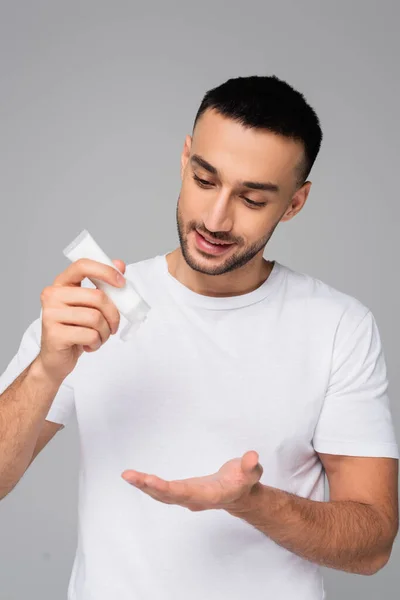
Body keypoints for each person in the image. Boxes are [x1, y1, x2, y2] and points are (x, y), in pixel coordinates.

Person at [0, 74, 398, 600]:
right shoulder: (95, 305)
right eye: (204, 179)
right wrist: (47, 370)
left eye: (252, 199)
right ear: (185, 157)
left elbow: (372, 545)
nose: (215, 219)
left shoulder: (338, 327)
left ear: (295, 203)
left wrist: (251, 503)